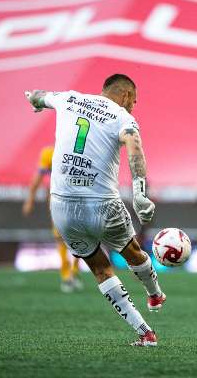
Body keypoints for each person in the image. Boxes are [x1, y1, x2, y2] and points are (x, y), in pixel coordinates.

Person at [24, 74, 163, 347]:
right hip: (102, 202)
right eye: (133, 101)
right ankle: (154, 293)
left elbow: (39, 94)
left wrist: (34, 99)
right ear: (124, 96)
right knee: (131, 251)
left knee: (100, 269)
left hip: (62, 206)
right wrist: (139, 194)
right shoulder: (123, 116)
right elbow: (134, 147)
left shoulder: (68, 98)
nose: (132, 107)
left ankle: (145, 333)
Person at [23, 145, 83, 293]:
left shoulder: (78, 151)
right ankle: (66, 276)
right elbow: (38, 177)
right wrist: (30, 199)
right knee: (60, 237)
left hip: (78, 198)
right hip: (58, 199)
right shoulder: (49, 153)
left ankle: (73, 272)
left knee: (80, 237)